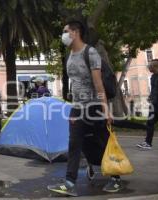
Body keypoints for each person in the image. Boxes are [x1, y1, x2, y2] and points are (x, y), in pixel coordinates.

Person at [47, 20, 122, 197]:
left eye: (65, 31)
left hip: (94, 106)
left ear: (75, 32)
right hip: (78, 107)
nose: (63, 35)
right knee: (74, 143)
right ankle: (69, 183)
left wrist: (105, 109)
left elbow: (98, 84)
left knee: (103, 142)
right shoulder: (69, 56)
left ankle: (115, 177)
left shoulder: (91, 52)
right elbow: (75, 84)